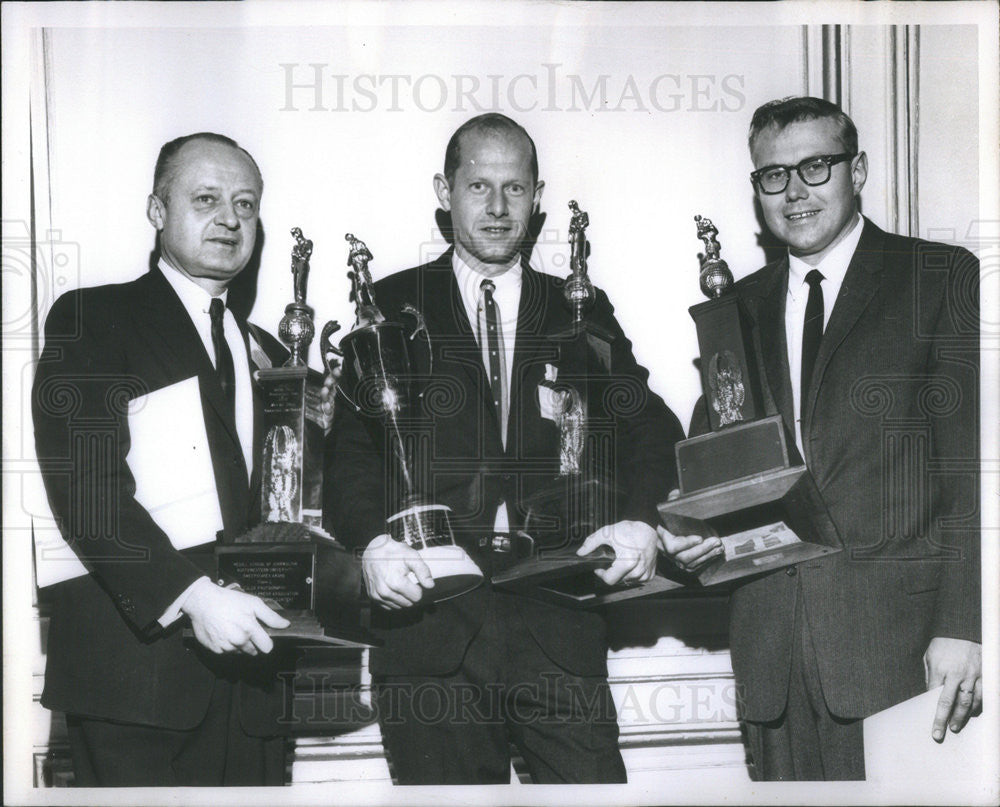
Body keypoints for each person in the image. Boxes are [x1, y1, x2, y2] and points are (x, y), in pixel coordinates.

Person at [326, 113, 684, 784]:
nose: (496, 207)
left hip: (557, 629)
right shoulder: (388, 307)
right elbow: (349, 457)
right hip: (426, 630)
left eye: (514, 189)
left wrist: (640, 519)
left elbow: (651, 427)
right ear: (445, 189)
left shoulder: (580, 307)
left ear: (537, 196)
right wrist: (372, 543)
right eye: (478, 186)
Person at [658, 97, 982, 780]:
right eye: (773, 175)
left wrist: (964, 625)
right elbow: (712, 469)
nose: (795, 191)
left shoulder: (937, 275)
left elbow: (966, 467)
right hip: (771, 649)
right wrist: (690, 536)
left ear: (856, 169)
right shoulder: (734, 308)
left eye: (815, 166)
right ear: (757, 189)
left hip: (901, 645)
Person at [32, 132, 306, 786]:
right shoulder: (93, 318)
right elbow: (89, 492)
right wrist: (191, 595)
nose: (230, 218)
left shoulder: (268, 353)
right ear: (157, 211)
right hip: (137, 688)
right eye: (206, 198)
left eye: (246, 203)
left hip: (255, 691)